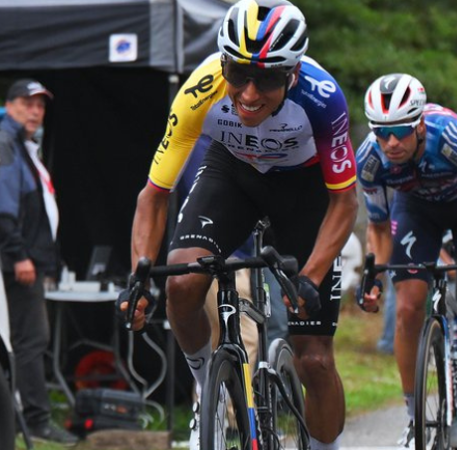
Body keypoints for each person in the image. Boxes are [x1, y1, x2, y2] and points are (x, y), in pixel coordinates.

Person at [119, 2, 358, 449]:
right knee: (182, 284)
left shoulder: (323, 99)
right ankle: (206, 392)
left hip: (303, 188)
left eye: (267, 78)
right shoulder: (201, 88)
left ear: (292, 73)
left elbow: (344, 201)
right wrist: (140, 274)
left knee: (315, 362)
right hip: (233, 173)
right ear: (223, 63)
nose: (248, 93)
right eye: (238, 72)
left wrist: (310, 277)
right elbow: (154, 194)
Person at [354, 73, 457, 445]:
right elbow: (379, 229)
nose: (391, 142)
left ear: (420, 125)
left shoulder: (453, 139)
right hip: (417, 212)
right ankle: (414, 415)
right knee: (409, 309)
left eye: (400, 131)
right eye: (382, 132)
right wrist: (374, 278)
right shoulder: (369, 158)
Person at [0, 79, 78, 444]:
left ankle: (24, 415)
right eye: (26, 102)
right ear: (8, 106)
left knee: (29, 340)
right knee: (31, 341)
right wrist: (20, 255)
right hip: (17, 264)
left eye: (40, 105)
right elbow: (2, 209)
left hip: (28, 262)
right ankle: (34, 420)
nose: (35, 110)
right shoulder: (6, 144)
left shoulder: (21, 146)